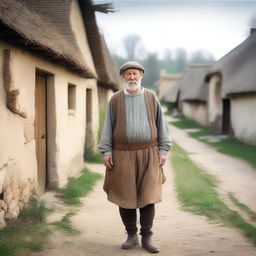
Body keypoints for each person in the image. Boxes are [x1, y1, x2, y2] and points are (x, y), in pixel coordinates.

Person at [99, 61, 171, 254]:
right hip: (122, 154)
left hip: (149, 154)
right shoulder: (115, 99)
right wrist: (106, 151)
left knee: (148, 196)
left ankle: (147, 237)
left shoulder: (151, 97)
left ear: (141, 76)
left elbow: (161, 124)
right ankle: (132, 235)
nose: (132, 77)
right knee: (125, 196)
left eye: (135, 74)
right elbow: (108, 126)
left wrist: (163, 150)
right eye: (128, 74)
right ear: (123, 77)